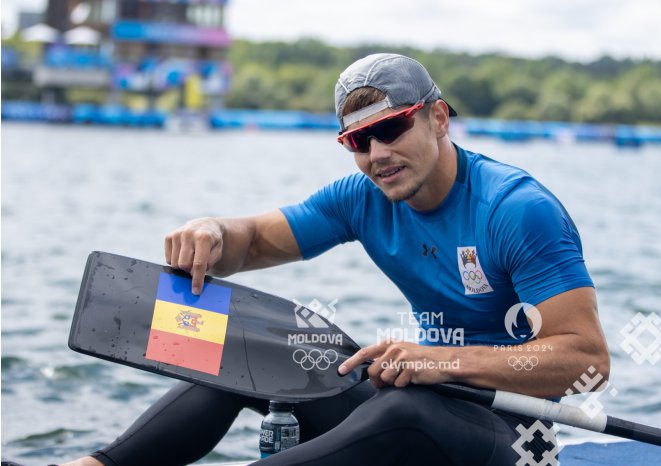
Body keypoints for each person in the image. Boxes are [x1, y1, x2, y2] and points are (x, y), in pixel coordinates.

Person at [57, 53, 609, 466]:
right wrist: (211, 230)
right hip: (425, 398)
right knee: (250, 349)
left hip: (513, 439)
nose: (378, 155)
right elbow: (250, 241)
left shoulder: (516, 210)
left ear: (439, 118)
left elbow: (587, 364)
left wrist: (442, 361)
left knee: (401, 408)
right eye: (358, 142)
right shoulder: (362, 196)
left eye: (392, 128)